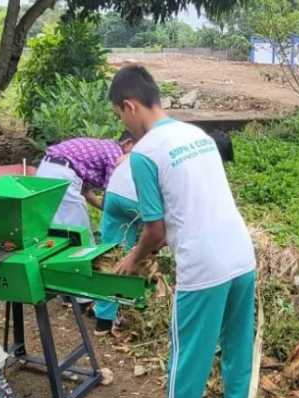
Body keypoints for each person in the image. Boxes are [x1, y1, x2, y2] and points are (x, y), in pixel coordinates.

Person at [111, 65, 257, 398]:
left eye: (119, 115)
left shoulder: (144, 154)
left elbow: (155, 231)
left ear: (129, 106)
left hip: (203, 266)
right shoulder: (197, 134)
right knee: (238, 345)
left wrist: (133, 260)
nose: (122, 123)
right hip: (242, 255)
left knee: (190, 350)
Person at [93, 130, 235, 335]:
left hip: (114, 192)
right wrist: (151, 246)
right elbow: (173, 217)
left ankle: (103, 321)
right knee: (154, 243)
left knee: (110, 252)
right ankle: (146, 304)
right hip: (137, 196)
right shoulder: (198, 162)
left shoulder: (176, 142)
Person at [35, 133, 136, 237]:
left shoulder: (103, 149)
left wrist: (102, 207)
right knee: (80, 229)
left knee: (55, 224)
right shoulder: (116, 153)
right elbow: (111, 196)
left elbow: (86, 193)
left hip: (47, 168)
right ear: (128, 143)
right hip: (61, 173)